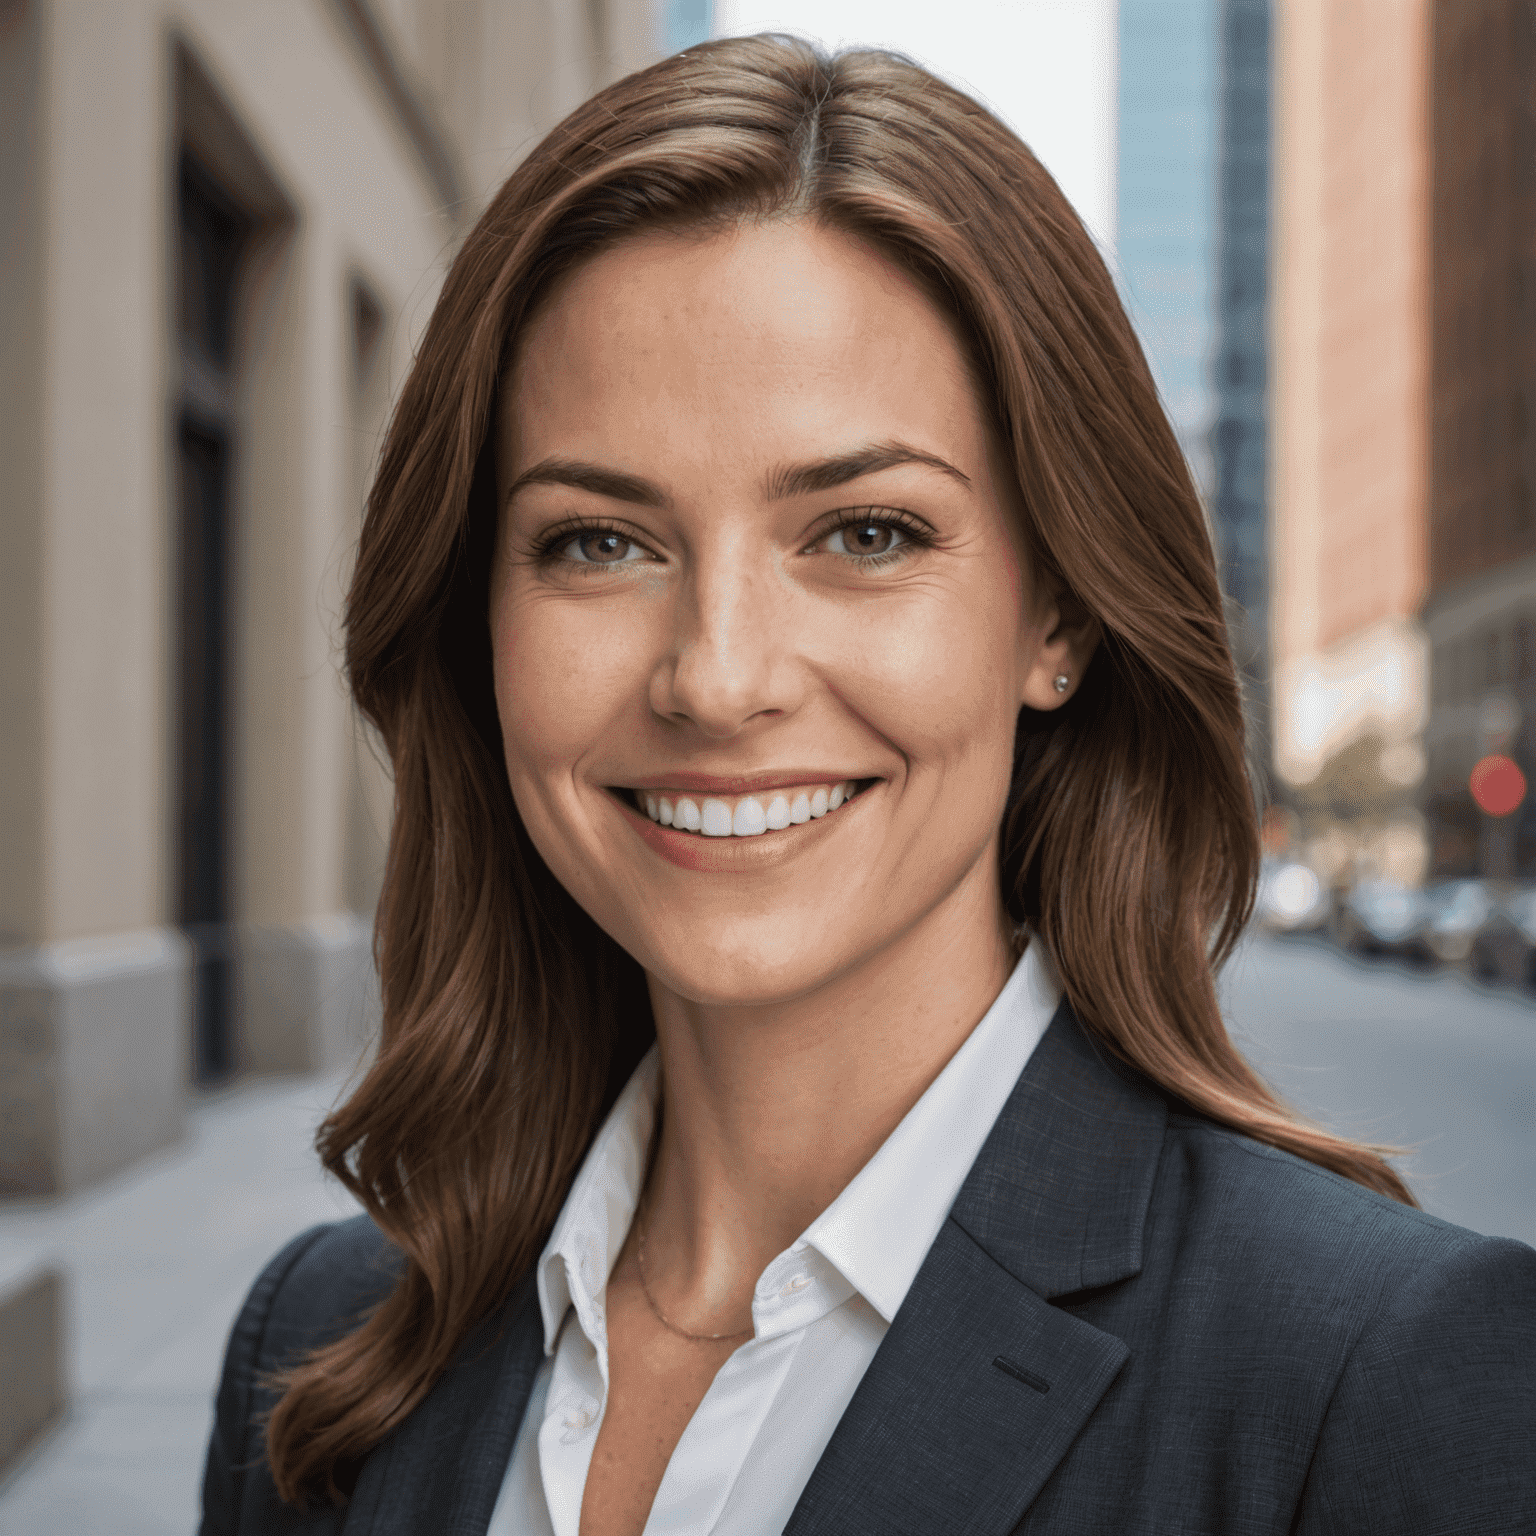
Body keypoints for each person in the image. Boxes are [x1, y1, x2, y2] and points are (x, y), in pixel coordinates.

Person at [200, 35, 1536, 1536]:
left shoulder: (1373, 1381)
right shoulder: (318, 1356)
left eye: (866, 533)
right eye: (597, 541)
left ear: (1059, 615)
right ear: (478, 623)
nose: (717, 677)